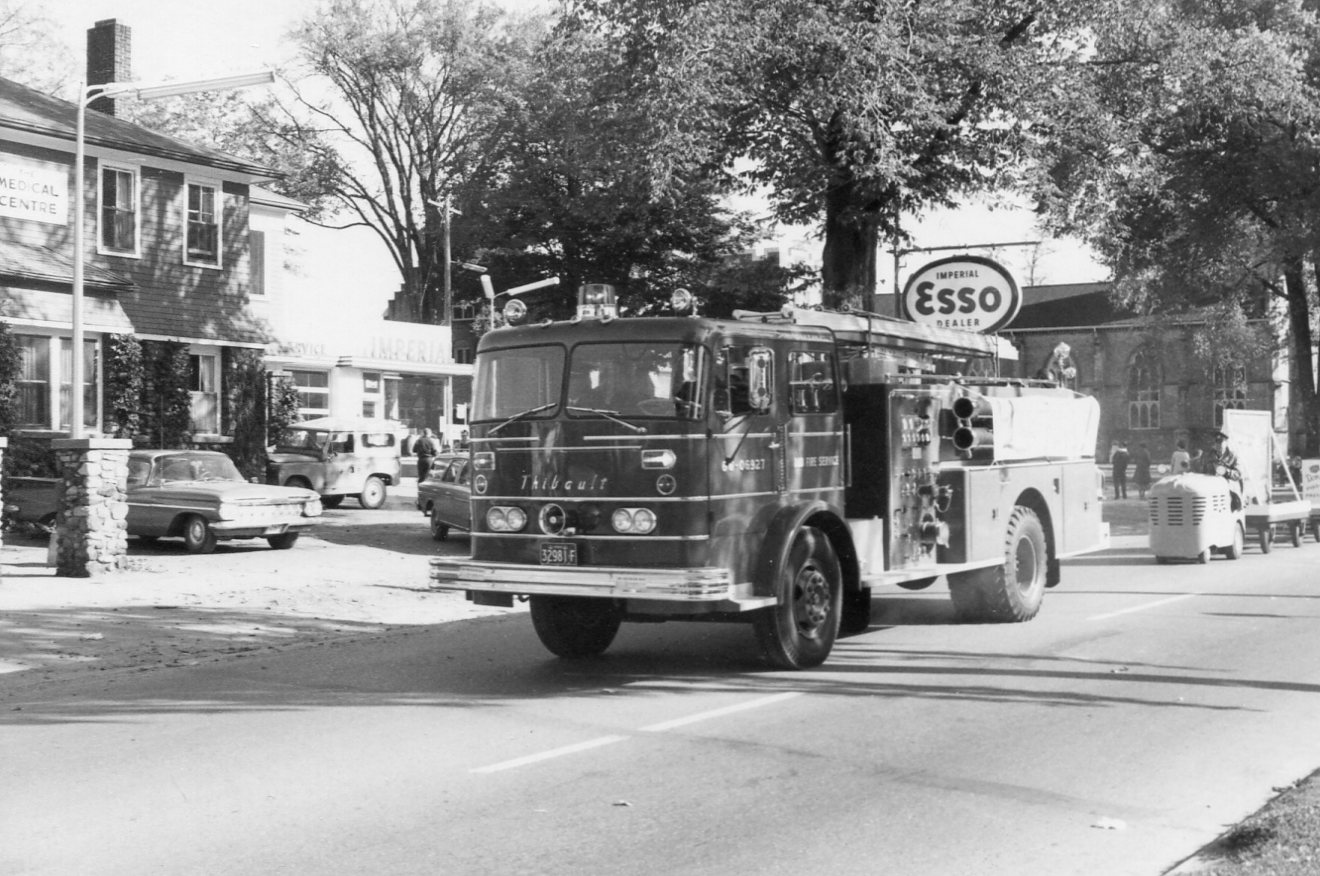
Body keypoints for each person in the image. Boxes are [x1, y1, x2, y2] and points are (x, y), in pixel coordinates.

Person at [1195, 429, 1243, 509]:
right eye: (1216, 441)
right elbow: (1200, 472)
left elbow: (1238, 474)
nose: (1218, 444)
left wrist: (1225, 471)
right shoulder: (1207, 455)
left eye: (1220, 441)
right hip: (1210, 491)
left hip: (1228, 494)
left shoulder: (1233, 456)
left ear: (1226, 442)